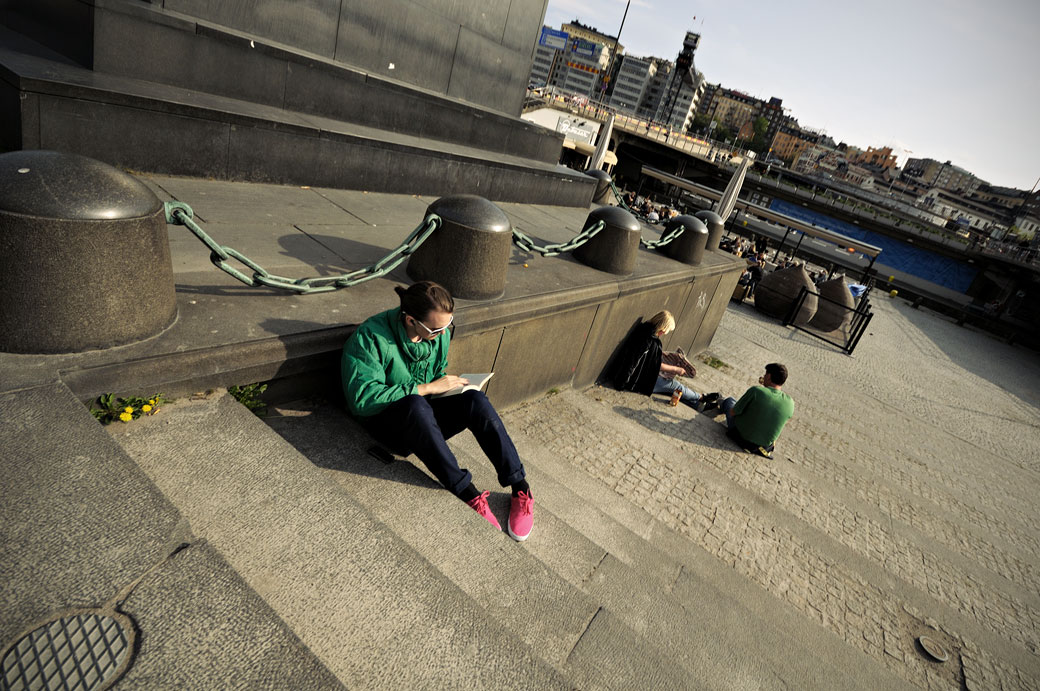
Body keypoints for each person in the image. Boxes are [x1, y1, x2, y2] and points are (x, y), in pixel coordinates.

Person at [341, 281, 533, 541]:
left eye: (448, 325)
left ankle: (519, 486)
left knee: (474, 399)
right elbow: (362, 398)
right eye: (436, 328)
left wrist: (450, 388)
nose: (443, 333)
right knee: (415, 405)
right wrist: (428, 387)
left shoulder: (437, 336)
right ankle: (467, 493)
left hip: (423, 417)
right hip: (388, 425)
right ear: (410, 320)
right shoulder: (370, 337)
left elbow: (435, 373)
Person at [610, 310, 711, 408]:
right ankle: (701, 397)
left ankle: (697, 404)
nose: (665, 333)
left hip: (640, 377)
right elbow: (634, 361)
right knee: (675, 386)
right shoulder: (649, 340)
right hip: (640, 382)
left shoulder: (644, 331)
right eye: (666, 330)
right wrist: (621, 383)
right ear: (663, 328)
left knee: (669, 389)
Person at [702, 363, 794, 459]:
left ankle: (719, 401)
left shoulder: (756, 391)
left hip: (742, 437)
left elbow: (733, 412)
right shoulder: (790, 403)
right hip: (763, 446)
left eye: (765, 374)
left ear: (769, 376)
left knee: (730, 401)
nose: (764, 376)